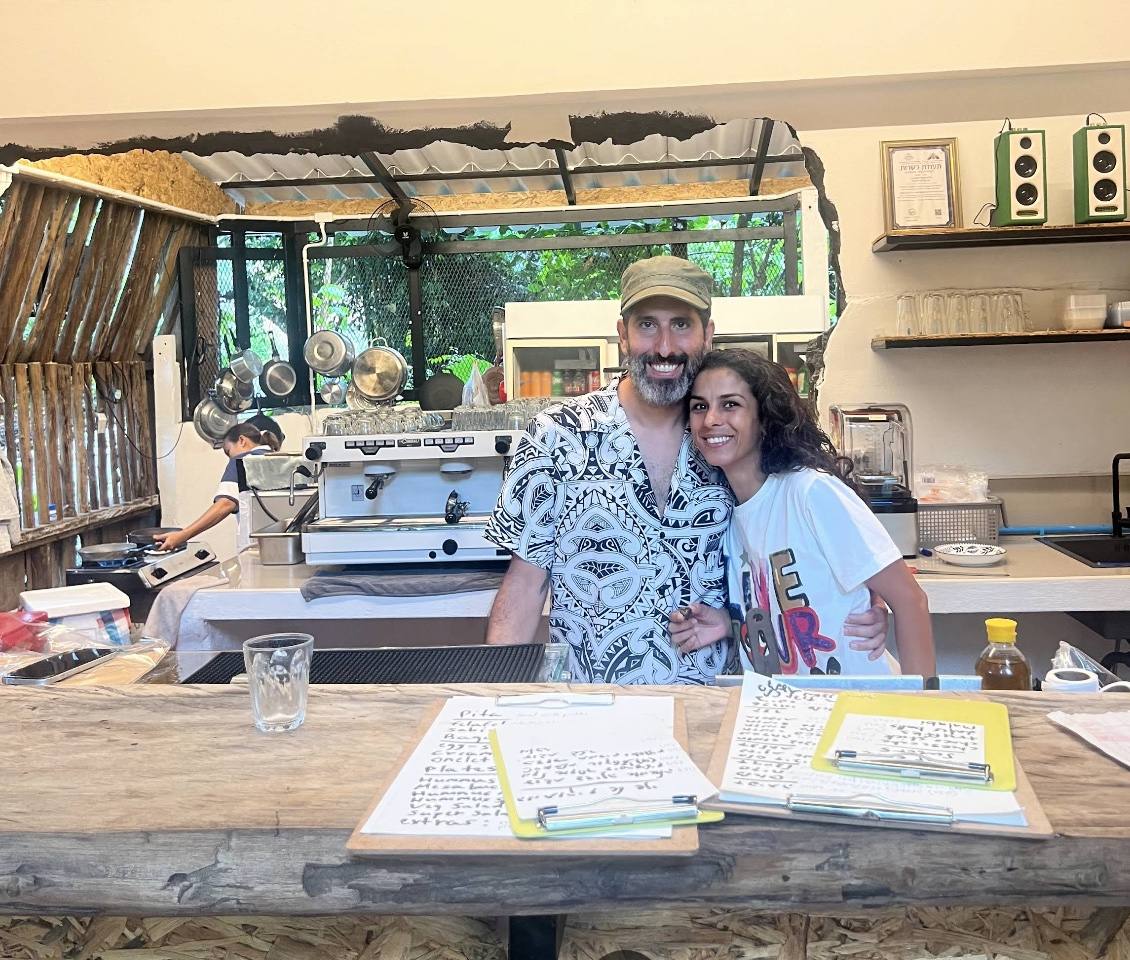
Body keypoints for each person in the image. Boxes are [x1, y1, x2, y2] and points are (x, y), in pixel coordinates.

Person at [483, 255, 889, 684]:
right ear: (622, 334)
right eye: (647, 325)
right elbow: (526, 587)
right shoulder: (556, 436)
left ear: (707, 335)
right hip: (595, 707)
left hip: (721, 701)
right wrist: (497, 698)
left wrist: (871, 598)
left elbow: (806, 534)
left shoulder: (732, 442)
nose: (664, 347)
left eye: (681, 324)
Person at [670, 349, 936, 677]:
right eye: (700, 406)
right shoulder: (726, 515)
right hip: (791, 716)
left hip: (863, 703)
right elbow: (786, 608)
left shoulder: (811, 492)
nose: (711, 419)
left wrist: (925, 708)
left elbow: (911, 601)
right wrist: (729, 622)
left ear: (764, 416)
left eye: (731, 404)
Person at [155, 420, 282, 554]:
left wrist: (183, 535)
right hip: (288, 547)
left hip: (257, 550)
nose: (229, 458)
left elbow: (226, 504)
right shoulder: (280, 459)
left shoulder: (242, 462)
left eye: (228, 452)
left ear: (242, 440)